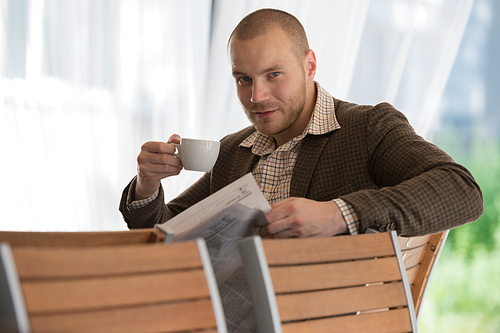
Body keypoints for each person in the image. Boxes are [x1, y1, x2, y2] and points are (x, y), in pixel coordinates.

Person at [120, 8, 483, 240]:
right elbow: (165, 235)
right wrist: (147, 186)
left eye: (273, 74)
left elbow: (463, 191)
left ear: (309, 65)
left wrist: (339, 214)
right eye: (243, 79)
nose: (256, 96)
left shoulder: (368, 128)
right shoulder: (234, 151)